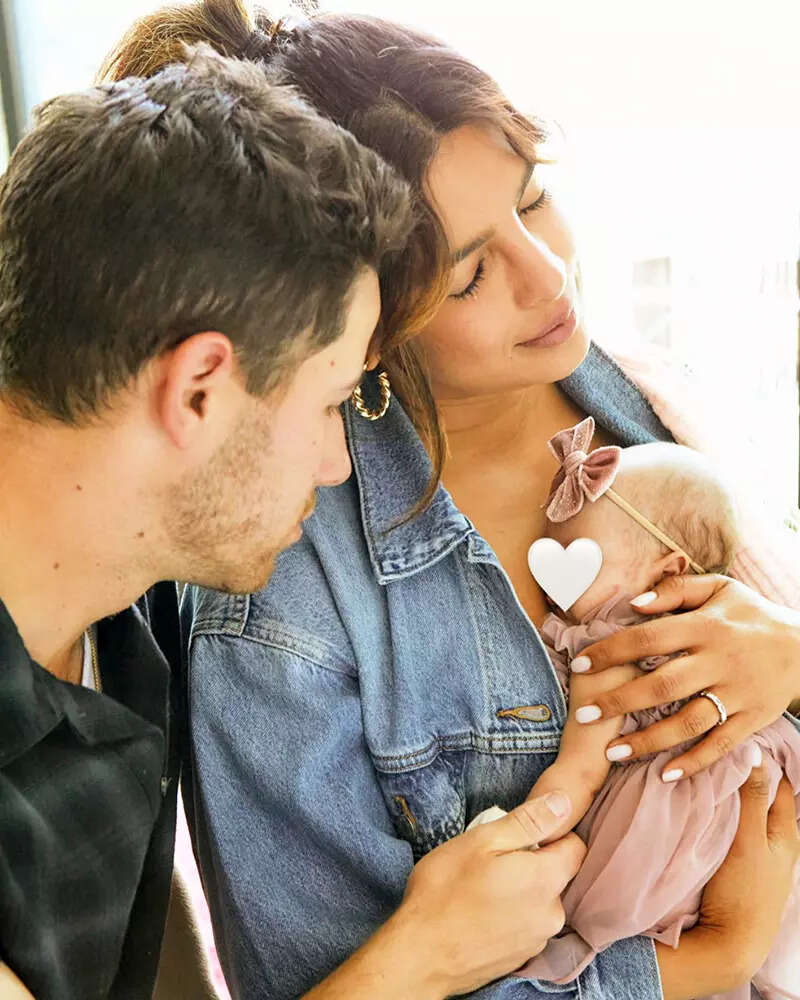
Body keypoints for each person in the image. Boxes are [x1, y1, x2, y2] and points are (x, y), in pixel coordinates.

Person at [105, 5, 800, 999]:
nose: (546, 272)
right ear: (358, 324)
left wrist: (784, 653)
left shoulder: (644, 394)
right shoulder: (276, 608)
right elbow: (333, 982)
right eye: (472, 272)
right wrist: (702, 963)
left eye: (536, 197)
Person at [0, 44, 584, 1000]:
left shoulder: (112, 606)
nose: (338, 462)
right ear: (197, 392)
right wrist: (415, 961)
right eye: (332, 402)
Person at [473, 419, 800, 998]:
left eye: (580, 555)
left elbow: (578, 772)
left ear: (670, 572)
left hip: (668, 839)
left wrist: (520, 844)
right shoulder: (723, 634)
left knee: (600, 919)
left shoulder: (606, 649)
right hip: (746, 798)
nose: (554, 586)